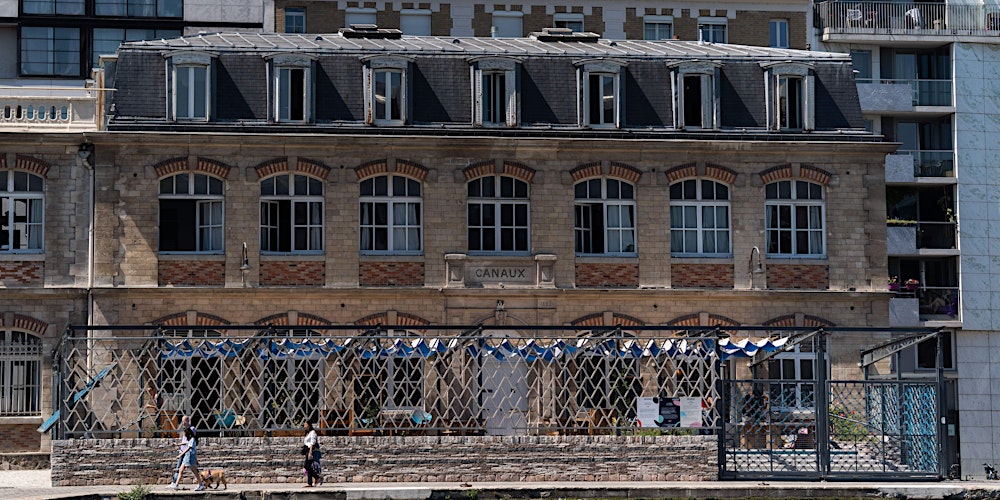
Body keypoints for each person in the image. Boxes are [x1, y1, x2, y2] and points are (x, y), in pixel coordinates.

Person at [169, 415, 205, 491]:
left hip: (189, 456)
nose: (184, 434)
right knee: (181, 469)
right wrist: (178, 445)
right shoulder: (189, 439)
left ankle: (201, 484)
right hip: (187, 456)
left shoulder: (192, 438)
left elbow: (189, 448)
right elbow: (186, 443)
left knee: (194, 471)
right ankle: (176, 485)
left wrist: (180, 455)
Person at [302, 421, 323, 487]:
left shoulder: (312, 433)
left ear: (309, 425)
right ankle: (310, 482)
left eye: (306, 425)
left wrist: (310, 452)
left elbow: (312, 443)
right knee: (309, 467)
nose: (304, 426)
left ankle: (317, 477)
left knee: (306, 466)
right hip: (307, 450)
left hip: (311, 450)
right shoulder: (307, 433)